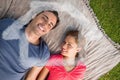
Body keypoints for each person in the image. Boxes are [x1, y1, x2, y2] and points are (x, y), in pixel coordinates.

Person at [0, 10, 59, 80]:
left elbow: (31, 77)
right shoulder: (8, 24)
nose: (45, 24)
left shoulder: (43, 53)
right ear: (34, 16)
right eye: (44, 18)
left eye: (50, 25)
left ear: (48, 31)